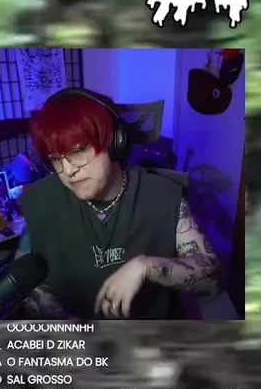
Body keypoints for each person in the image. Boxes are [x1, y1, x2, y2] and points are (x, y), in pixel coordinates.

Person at [13, 88, 222, 320]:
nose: (68, 170)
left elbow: (211, 279)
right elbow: (21, 284)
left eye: (78, 151)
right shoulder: (41, 200)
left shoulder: (163, 196)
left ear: (115, 142)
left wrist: (148, 267)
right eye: (55, 159)